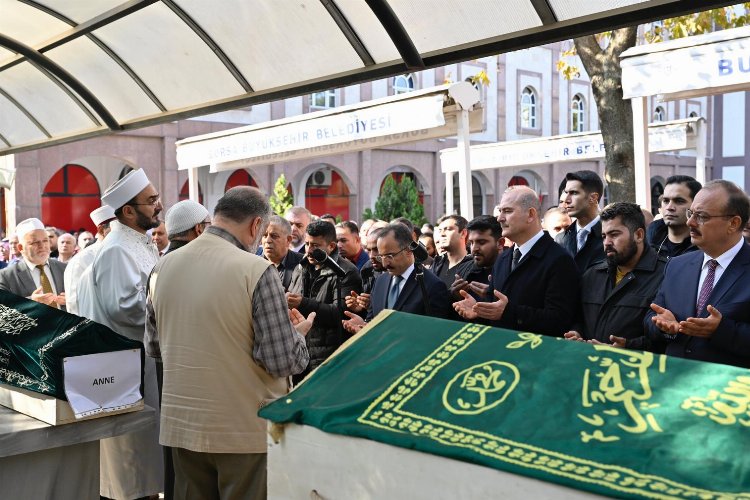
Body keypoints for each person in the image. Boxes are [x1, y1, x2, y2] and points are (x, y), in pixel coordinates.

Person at [146, 186, 313, 500]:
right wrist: (298, 336)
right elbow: (281, 361)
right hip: (242, 431)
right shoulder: (257, 270)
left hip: (182, 426)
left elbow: (154, 348)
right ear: (254, 226)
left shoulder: (161, 268)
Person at [76, 169, 164, 499]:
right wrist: (172, 300)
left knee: (143, 460)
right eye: (151, 200)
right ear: (128, 211)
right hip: (123, 372)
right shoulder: (116, 249)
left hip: (140, 364)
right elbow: (123, 307)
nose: (158, 206)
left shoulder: (138, 242)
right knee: (130, 464)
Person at [646, 180, 750, 368]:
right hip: (674, 383)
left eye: (701, 216)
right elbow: (651, 316)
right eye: (690, 213)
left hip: (730, 389)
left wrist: (720, 330)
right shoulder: (677, 265)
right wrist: (662, 326)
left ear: (733, 223)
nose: (690, 222)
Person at [454, 186, 580, 336]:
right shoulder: (503, 258)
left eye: (507, 211)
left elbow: (560, 320)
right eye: (500, 211)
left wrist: (508, 312)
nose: (500, 218)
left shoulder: (559, 259)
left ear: (531, 215)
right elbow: (496, 313)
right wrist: (479, 311)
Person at [564, 203, 666, 350]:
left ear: (638, 235)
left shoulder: (665, 274)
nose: (607, 243)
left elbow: (666, 338)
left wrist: (628, 346)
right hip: (589, 365)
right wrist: (576, 333)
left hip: (636, 368)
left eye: (614, 235)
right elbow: (578, 318)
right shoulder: (592, 275)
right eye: (604, 236)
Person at [342, 223, 452, 334]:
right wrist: (365, 327)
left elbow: (435, 332)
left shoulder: (432, 286)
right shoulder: (381, 281)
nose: (385, 264)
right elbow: (373, 320)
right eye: (381, 256)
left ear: (408, 251)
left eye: (390, 256)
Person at [287, 220, 361, 382]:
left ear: (331, 246)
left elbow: (341, 314)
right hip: (299, 351)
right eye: (307, 244)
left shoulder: (346, 272)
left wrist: (302, 303)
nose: (309, 250)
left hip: (329, 356)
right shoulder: (300, 267)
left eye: (316, 246)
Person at [0, 218, 66, 309]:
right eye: (35, 242)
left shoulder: (64, 268)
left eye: (45, 240)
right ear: (20, 248)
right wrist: (30, 303)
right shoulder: (6, 276)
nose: (42, 246)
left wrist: (70, 301)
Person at [63, 205, 116, 316]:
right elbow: (75, 304)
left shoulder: (126, 252)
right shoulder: (81, 260)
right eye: (118, 229)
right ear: (102, 230)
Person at [556, 170, 605, 272]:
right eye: (566, 192)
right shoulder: (560, 239)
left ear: (593, 197)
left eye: (574, 193)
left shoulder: (611, 235)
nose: (567, 199)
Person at [450, 215, 504, 301]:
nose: (474, 248)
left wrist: (493, 298)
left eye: (481, 242)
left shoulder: (511, 270)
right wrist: (454, 296)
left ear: (500, 243)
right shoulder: (464, 268)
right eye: (471, 243)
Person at [647, 175, 701, 259]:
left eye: (679, 201)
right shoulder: (649, 238)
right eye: (666, 201)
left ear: (695, 205)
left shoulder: (705, 247)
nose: (669, 207)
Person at [345, 227, 385, 316]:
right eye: (369, 250)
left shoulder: (406, 273)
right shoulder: (368, 269)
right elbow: (369, 310)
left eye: (376, 249)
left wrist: (374, 304)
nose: (371, 256)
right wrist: (360, 306)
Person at [262, 215, 304, 292]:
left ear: (288, 240)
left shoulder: (303, 263)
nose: (267, 240)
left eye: (274, 236)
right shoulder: (254, 264)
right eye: (264, 235)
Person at [432, 214, 473, 287]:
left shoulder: (473, 265)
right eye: (440, 230)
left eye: (448, 229)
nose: (442, 234)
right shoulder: (436, 264)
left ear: (463, 233)